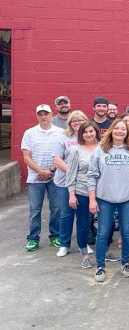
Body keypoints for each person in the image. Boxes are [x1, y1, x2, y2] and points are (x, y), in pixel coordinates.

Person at [88, 119, 129, 282]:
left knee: (127, 232)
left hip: (128, 198)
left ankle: (125, 263)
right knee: (103, 232)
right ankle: (100, 267)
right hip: (105, 198)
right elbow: (92, 176)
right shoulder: (100, 150)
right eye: (117, 128)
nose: (120, 131)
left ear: (128, 132)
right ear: (111, 130)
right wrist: (92, 199)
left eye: (124, 129)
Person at [21, 104, 64, 252]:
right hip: (35, 177)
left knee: (56, 208)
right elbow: (26, 157)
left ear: (51, 114)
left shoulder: (61, 132)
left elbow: (63, 154)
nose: (43, 116)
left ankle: (55, 236)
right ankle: (33, 238)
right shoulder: (29, 133)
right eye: (40, 114)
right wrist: (40, 171)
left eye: (46, 113)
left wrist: (50, 170)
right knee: (35, 209)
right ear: (37, 116)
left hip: (55, 176)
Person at [63, 121, 100, 269]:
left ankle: (106, 250)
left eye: (91, 131)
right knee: (83, 223)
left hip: (102, 192)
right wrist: (72, 194)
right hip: (82, 191)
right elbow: (70, 174)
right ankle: (85, 254)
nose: (89, 134)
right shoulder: (76, 151)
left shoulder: (103, 149)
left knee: (107, 223)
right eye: (85, 132)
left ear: (96, 132)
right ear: (81, 134)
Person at [52, 110, 88, 257]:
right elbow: (57, 159)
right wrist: (73, 172)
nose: (77, 123)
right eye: (74, 121)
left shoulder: (88, 137)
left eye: (80, 120)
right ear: (70, 123)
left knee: (83, 216)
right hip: (64, 182)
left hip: (84, 184)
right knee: (66, 214)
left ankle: (83, 245)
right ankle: (64, 244)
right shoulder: (63, 138)